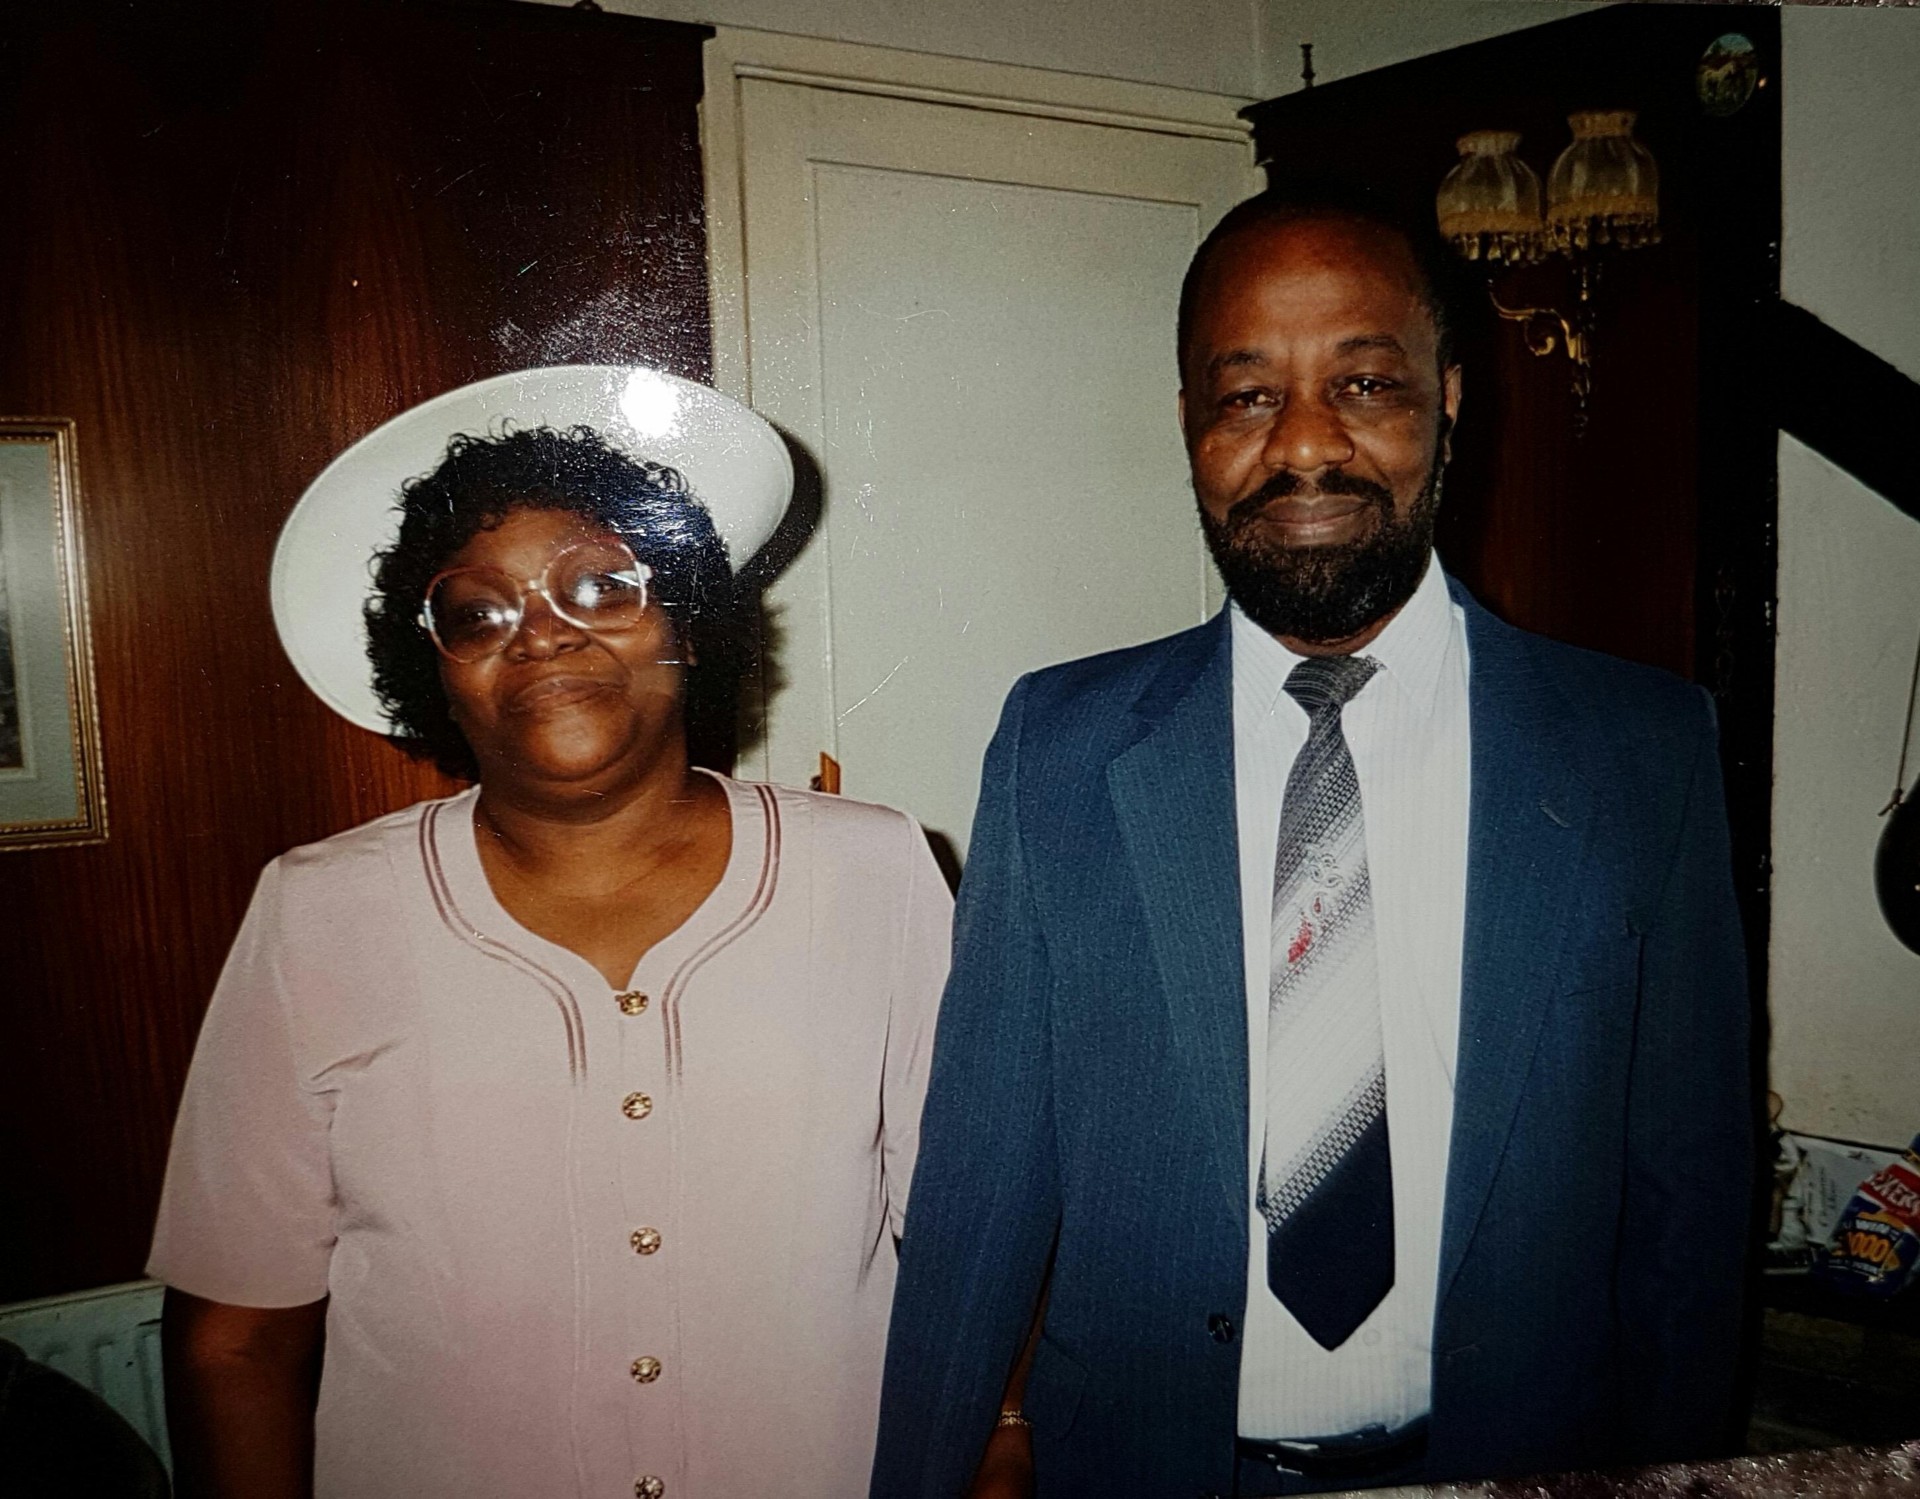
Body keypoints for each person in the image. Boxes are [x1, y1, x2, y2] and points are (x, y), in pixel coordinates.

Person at [871, 183, 1754, 1497]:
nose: (1302, 445)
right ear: (1189, 422)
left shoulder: (1638, 749)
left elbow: (1690, 1200)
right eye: (1246, 396)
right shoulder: (1059, 749)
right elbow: (980, 1186)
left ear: (1451, 399)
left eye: (1365, 384)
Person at [150, 377, 952, 1499]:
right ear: (434, 671)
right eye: (477, 613)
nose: (541, 635)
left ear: (688, 625)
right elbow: (235, 1343)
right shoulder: (318, 911)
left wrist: (1007, 1434)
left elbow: (974, 1238)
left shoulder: (875, 871)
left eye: (600, 586)